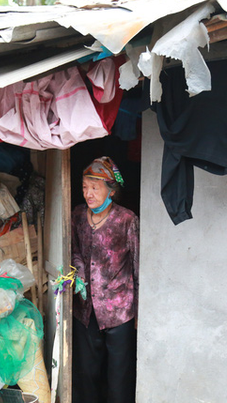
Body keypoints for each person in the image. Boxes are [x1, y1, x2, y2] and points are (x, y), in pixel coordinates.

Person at [71, 156, 139, 403]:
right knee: (85, 374)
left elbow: (138, 265)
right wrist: (78, 273)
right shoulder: (77, 215)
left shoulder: (127, 219)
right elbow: (74, 250)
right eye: (85, 187)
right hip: (85, 309)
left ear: (111, 190)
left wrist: (140, 313)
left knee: (118, 377)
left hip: (119, 310)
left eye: (95, 188)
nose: (88, 194)